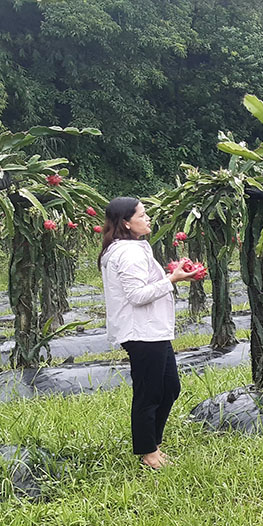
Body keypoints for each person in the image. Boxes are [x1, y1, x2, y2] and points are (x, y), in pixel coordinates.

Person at [99, 197, 195, 470]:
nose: (148, 218)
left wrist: (169, 276)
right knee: (150, 392)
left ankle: (153, 443)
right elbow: (137, 295)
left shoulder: (132, 247)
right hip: (142, 332)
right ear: (127, 223)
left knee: (170, 387)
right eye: (142, 215)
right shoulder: (127, 253)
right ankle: (147, 451)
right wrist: (172, 280)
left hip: (151, 330)